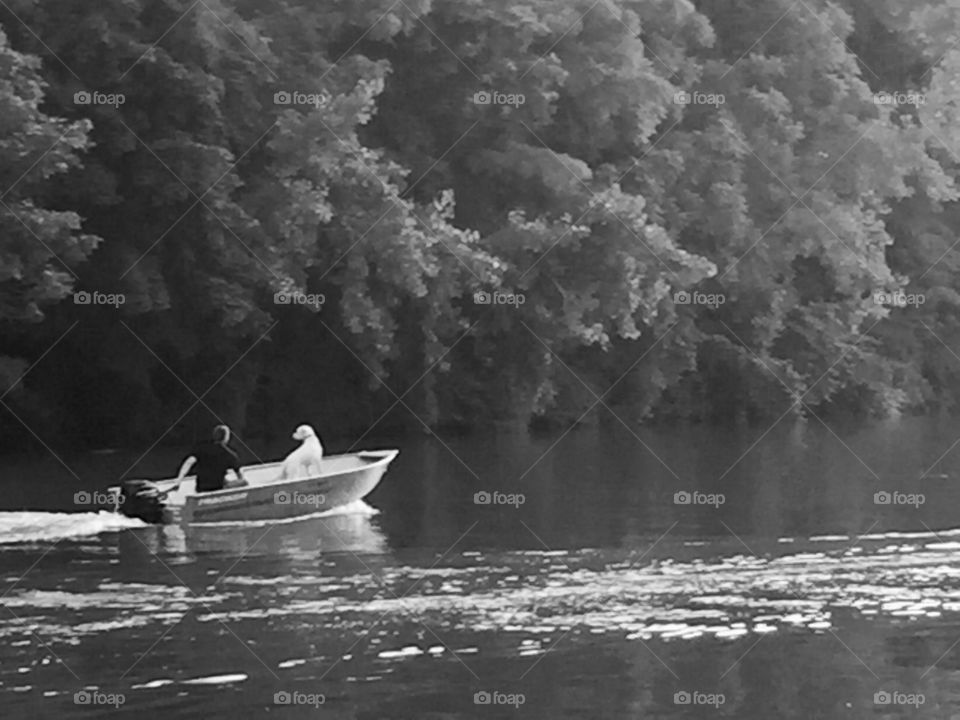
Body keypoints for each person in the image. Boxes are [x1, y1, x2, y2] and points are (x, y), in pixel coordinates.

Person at [176, 425, 248, 492]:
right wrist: (240, 480)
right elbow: (239, 473)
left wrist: (179, 480)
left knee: (224, 480)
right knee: (244, 482)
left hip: (201, 487)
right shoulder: (228, 453)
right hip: (218, 487)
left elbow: (188, 462)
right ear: (226, 437)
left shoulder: (202, 449)